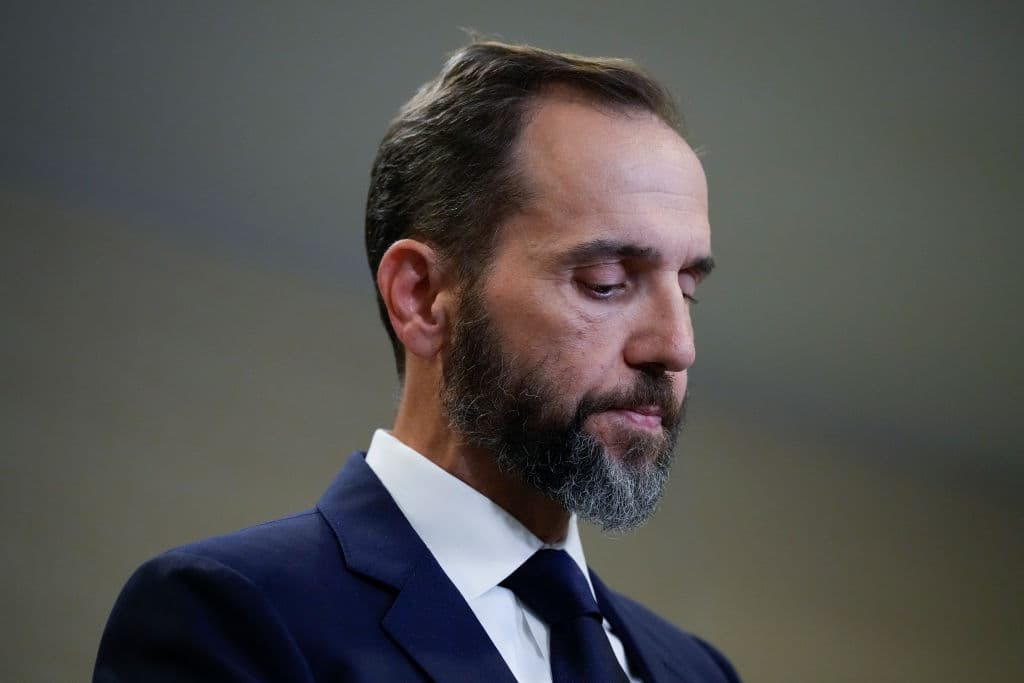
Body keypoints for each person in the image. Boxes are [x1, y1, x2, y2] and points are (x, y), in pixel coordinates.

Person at [94, 41, 740, 682]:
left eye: (687, 290)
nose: (677, 347)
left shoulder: (701, 672)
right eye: (605, 282)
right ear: (423, 297)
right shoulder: (229, 616)